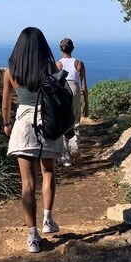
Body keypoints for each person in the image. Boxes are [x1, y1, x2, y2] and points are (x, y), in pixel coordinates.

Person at [2, 27, 63, 253]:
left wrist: (7, 124)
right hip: (47, 124)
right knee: (48, 172)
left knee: (27, 183)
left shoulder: (10, 72)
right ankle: (48, 220)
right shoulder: (52, 68)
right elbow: (59, 99)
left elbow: (6, 103)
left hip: (23, 124)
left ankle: (33, 237)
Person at [56, 37, 89, 166]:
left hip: (62, 91)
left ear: (61, 49)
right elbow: (84, 87)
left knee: (63, 123)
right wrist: (86, 104)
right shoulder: (79, 63)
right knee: (75, 122)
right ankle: (74, 147)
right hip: (75, 90)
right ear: (72, 48)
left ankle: (65, 158)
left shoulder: (58, 64)